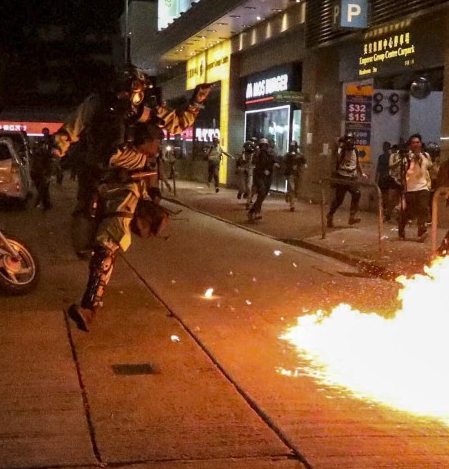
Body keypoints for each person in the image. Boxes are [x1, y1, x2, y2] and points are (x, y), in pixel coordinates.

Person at [55, 68, 211, 332]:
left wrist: (196, 102)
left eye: (134, 89)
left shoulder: (151, 107)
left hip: (127, 183)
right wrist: (54, 152)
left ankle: (89, 306)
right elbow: (71, 128)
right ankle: (95, 276)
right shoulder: (97, 104)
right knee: (82, 240)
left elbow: (177, 122)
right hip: (93, 179)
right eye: (125, 89)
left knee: (108, 241)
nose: (129, 94)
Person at [397, 134, 433, 240]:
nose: (416, 145)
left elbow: (429, 167)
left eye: (418, 142)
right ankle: (401, 230)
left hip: (423, 187)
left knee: (423, 208)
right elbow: (404, 172)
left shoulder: (425, 155)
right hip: (410, 188)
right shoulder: (406, 157)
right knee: (408, 212)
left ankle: (421, 232)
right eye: (413, 143)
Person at [327, 134, 364, 228]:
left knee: (357, 193)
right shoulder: (341, 150)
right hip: (342, 176)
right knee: (339, 200)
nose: (350, 144)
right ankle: (330, 214)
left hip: (352, 177)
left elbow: (357, 162)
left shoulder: (355, 150)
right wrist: (340, 144)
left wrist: (361, 173)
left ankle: (352, 216)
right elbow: (336, 157)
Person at [248, 138, 278, 221]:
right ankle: (256, 211)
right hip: (259, 176)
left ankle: (253, 211)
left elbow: (274, 160)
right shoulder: (257, 154)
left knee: (263, 195)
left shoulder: (270, 153)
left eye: (265, 145)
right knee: (262, 191)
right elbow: (254, 162)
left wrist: (275, 164)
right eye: (262, 145)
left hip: (268, 177)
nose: (264, 147)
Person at [30, 128, 56, 211]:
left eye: (46, 132)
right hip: (37, 171)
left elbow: (51, 160)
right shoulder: (39, 143)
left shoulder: (50, 143)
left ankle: (44, 204)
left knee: (43, 188)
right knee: (42, 188)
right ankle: (45, 204)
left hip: (44, 171)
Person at [376, 141, 401, 218]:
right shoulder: (382, 157)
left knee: (389, 196)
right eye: (384, 146)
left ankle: (387, 212)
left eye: (386, 146)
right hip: (383, 178)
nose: (384, 148)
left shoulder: (391, 156)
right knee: (383, 196)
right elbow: (378, 169)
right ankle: (384, 211)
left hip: (389, 178)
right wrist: (376, 178)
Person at [283, 140, 306, 212]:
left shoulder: (300, 155)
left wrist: (305, 166)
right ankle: (292, 205)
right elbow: (284, 162)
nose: (293, 148)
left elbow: (304, 161)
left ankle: (287, 194)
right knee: (292, 189)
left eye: (294, 146)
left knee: (296, 190)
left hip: (297, 174)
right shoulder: (287, 155)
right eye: (291, 146)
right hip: (290, 174)